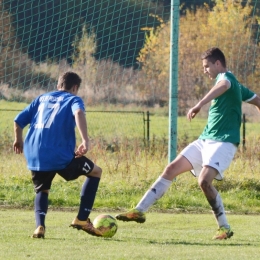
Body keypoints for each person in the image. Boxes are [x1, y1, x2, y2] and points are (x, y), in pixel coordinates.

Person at [116, 47, 260, 240]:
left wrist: (200, 104)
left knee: (204, 181)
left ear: (218, 63)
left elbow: (224, 85)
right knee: (171, 169)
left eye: (207, 66)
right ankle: (139, 210)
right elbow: (258, 100)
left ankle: (224, 227)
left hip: (223, 142)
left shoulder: (227, 78)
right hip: (205, 140)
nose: (205, 70)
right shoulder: (238, 86)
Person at [13, 71, 103, 238]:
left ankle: (40, 227)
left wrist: (18, 140)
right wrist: (85, 140)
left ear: (58, 85)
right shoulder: (73, 99)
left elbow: (18, 120)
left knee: (42, 190)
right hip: (60, 156)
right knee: (96, 172)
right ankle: (82, 219)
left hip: (35, 155)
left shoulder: (41, 98)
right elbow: (78, 113)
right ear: (75, 87)